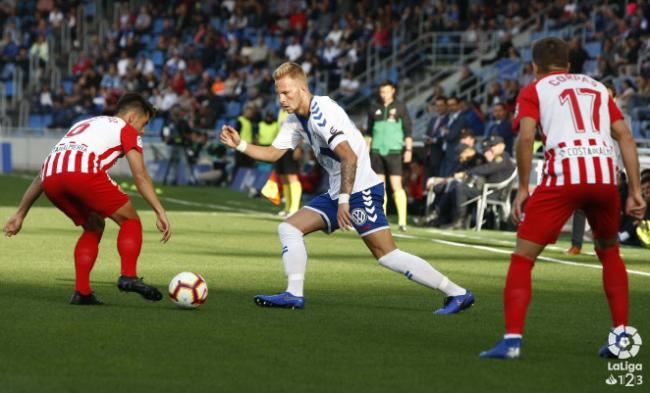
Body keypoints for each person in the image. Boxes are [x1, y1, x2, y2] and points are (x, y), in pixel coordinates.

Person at [219, 62, 474, 313]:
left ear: (303, 89)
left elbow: (349, 157)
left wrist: (344, 201)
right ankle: (293, 294)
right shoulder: (294, 120)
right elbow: (274, 153)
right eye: (278, 93)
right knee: (289, 228)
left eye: (286, 92)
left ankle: (457, 293)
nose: (281, 99)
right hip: (338, 191)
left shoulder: (322, 111)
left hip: (361, 191)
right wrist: (240, 145)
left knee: (387, 255)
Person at [480, 38, 646, 359]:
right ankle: (621, 338)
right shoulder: (597, 87)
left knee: (523, 258)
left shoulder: (535, 89)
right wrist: (636, 191)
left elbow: (526, 136)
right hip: (603, 177)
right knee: (610, 254)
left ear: (534, 67)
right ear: (569, 65)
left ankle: (512, 341)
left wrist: (525, 187)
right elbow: (625, 135)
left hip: (564, 176)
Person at [3, 92, 171, 305]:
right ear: (131, 117)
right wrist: (159, 210)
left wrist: (20, 214)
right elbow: (140, 175)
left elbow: (42, 175)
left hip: (52, 179)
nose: (144, 130)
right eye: (144, 123)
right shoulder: (126, 129)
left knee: (94, 225)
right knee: (130, 221)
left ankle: (82, 292)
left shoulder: (83, 124)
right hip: (83, 172)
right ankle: (128, 276)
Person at [366, 80, 413, 232]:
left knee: (396, 185)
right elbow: (369, 132)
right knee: (380, 186)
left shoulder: (400, 107)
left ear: (393, 90)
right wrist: (367, 149)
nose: (384, 95)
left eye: (386, 91)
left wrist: (408, 150)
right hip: (377, 151)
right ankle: (382, 220)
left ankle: (402, 221)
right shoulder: (374, 107)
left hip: (394, 151)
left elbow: (408, 131)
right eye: (381, 92)